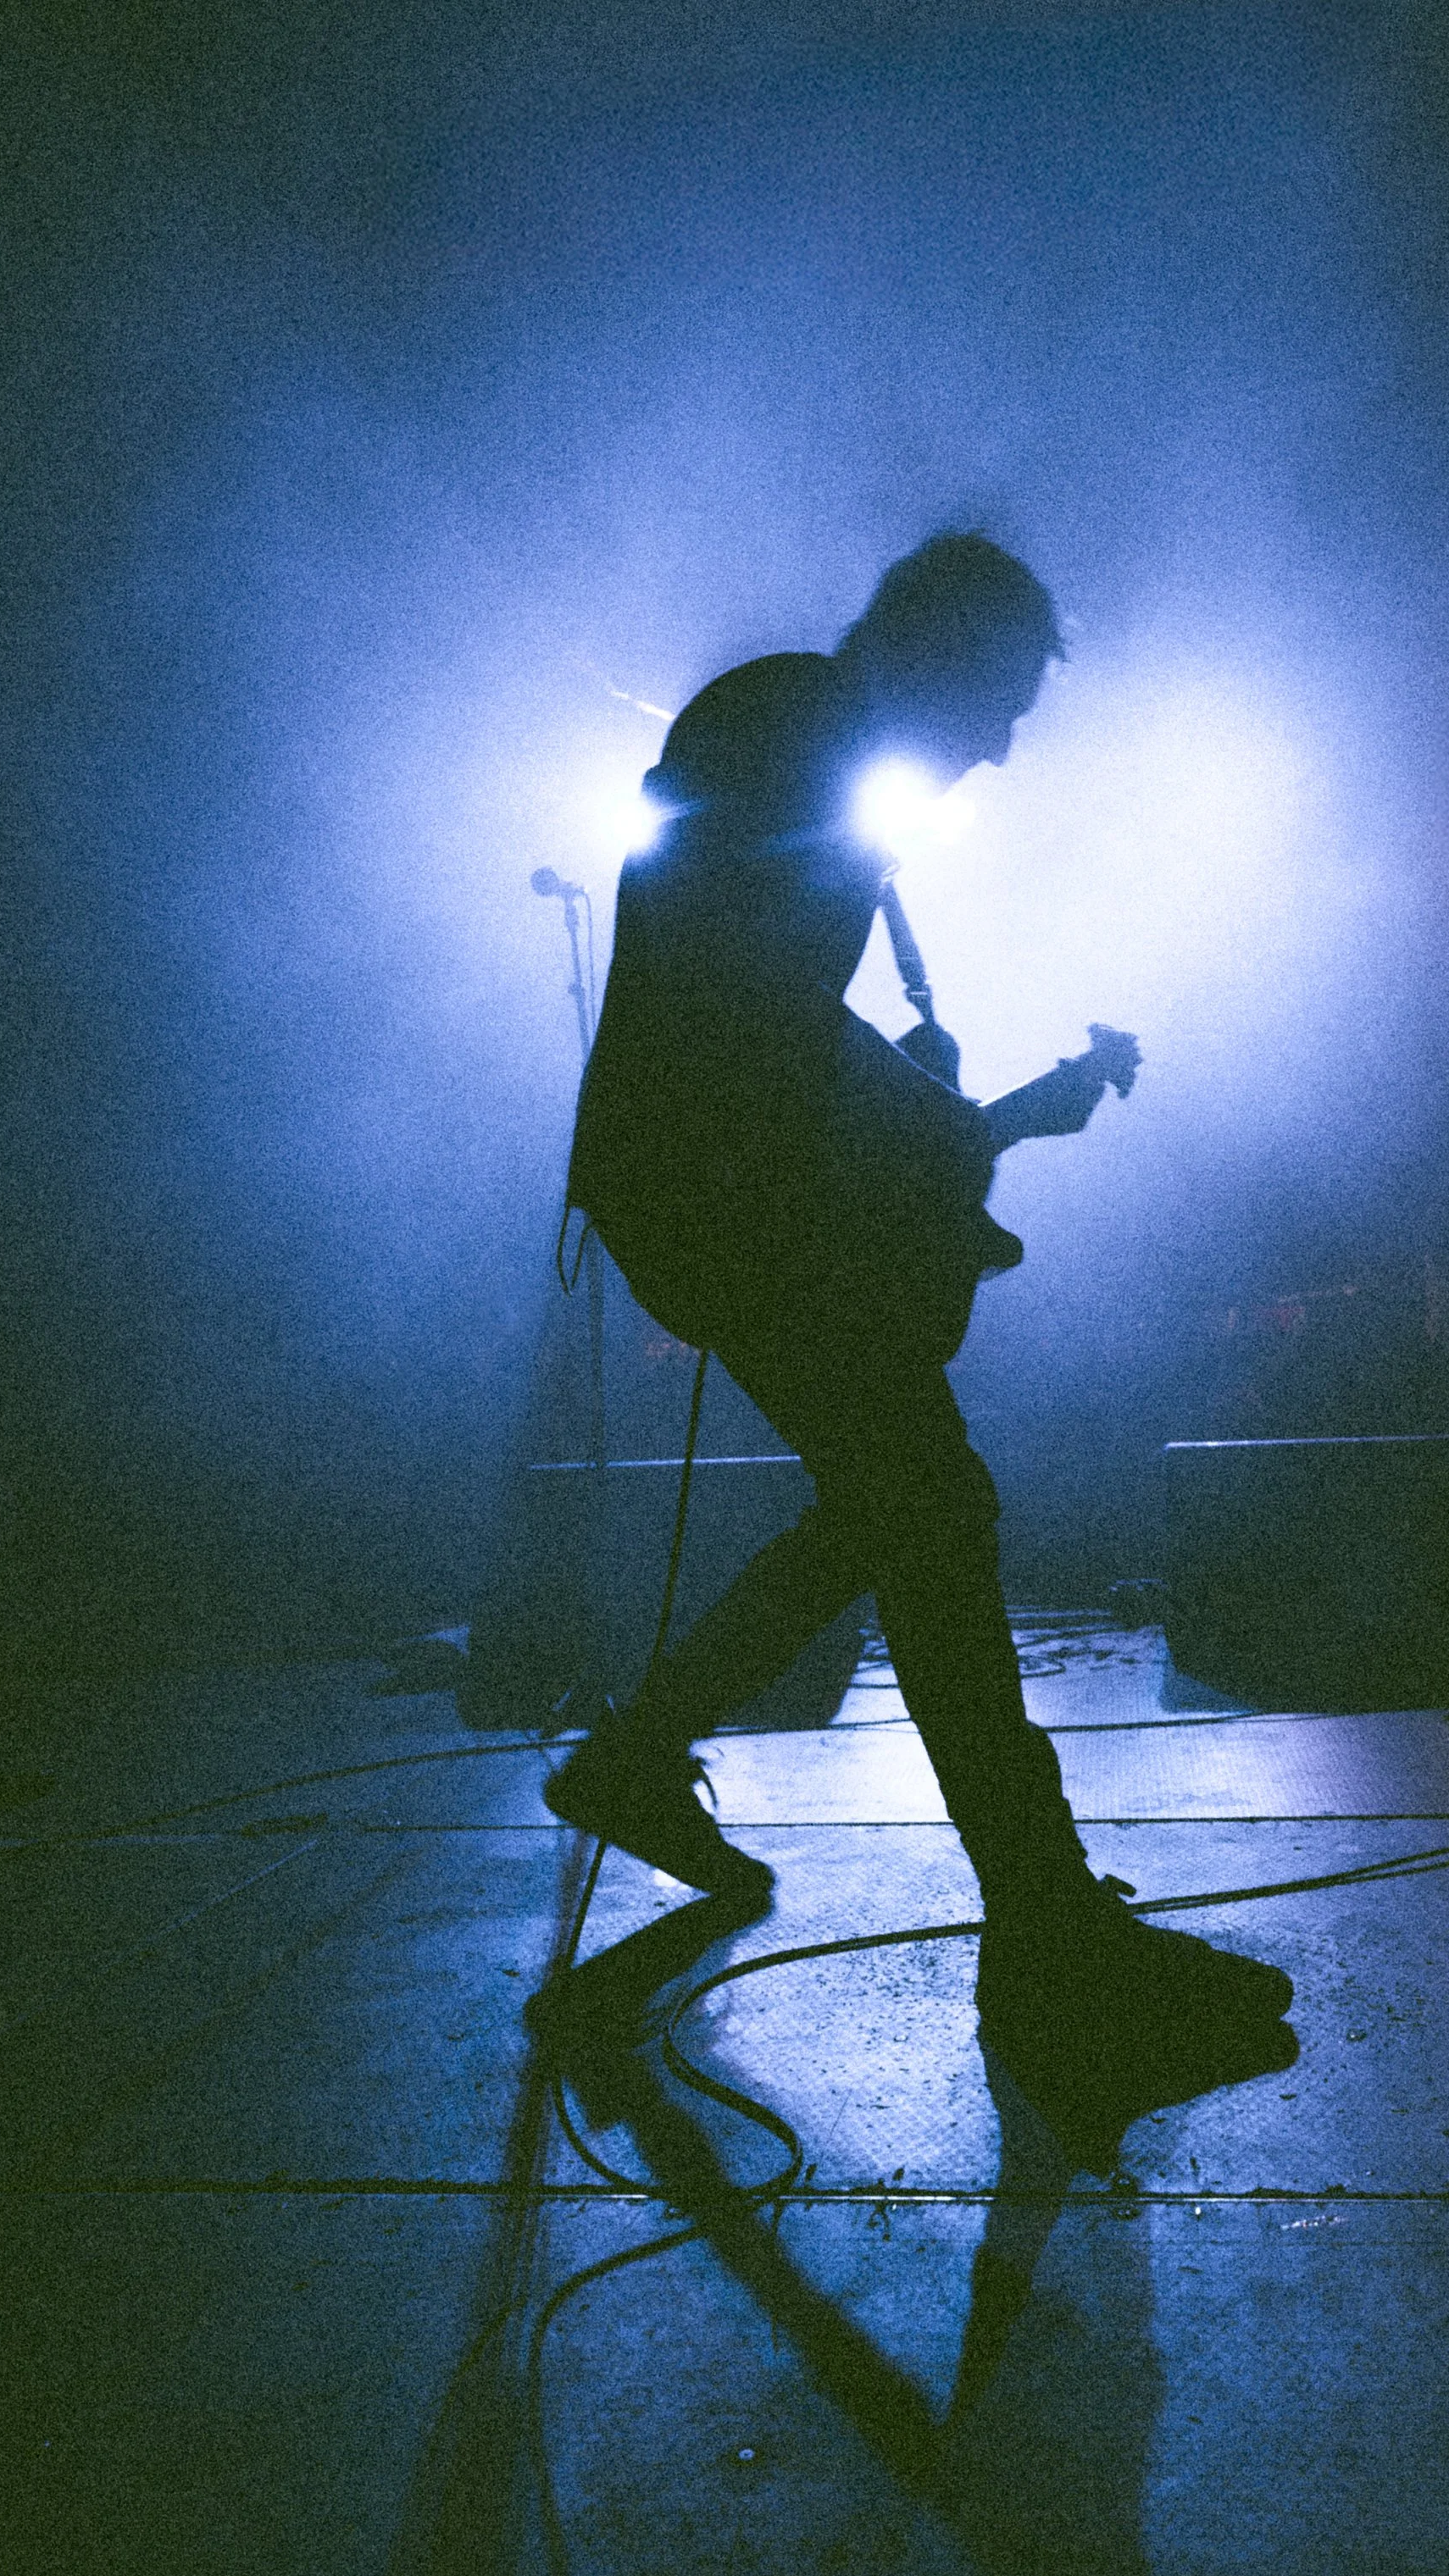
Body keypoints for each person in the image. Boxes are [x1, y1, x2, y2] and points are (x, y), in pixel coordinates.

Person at [542, 533, 1293, 2166]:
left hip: (718, 1194)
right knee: (932, 1508)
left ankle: (636, 1756)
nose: (1004, 747)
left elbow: (788, 1037)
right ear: (938, 654)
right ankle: (1048, 1947)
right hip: (713, 1199)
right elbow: (750, 1016)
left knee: (886, 1510)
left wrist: (978, 1121)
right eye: (1002, 703)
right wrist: (960, 1126)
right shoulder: (789, 732)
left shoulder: (810, 743)